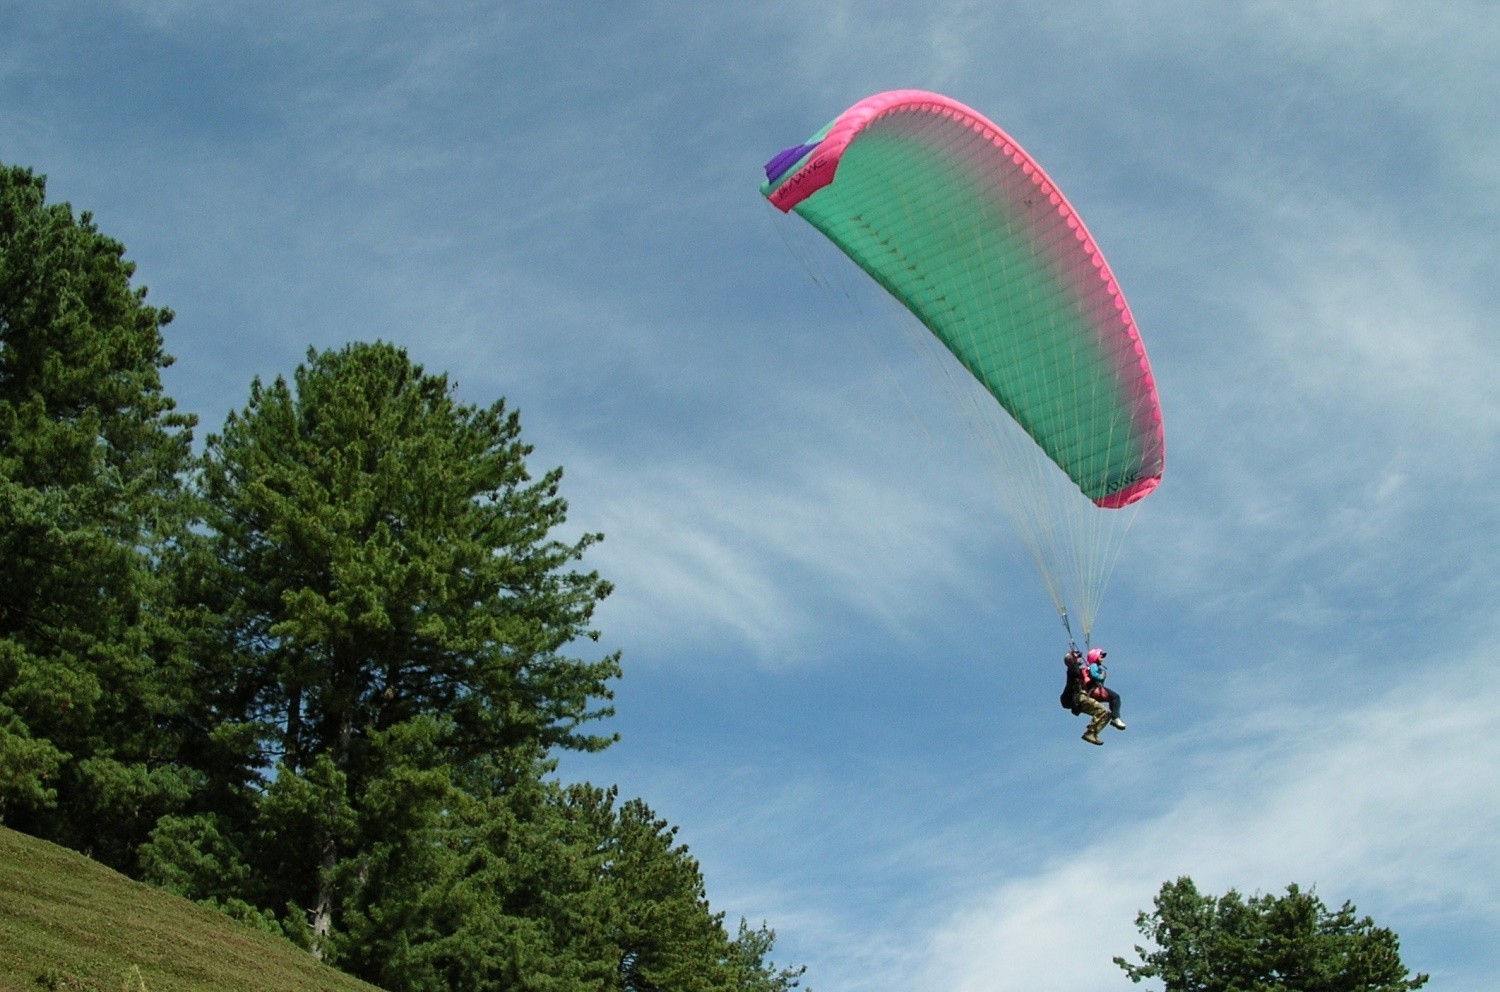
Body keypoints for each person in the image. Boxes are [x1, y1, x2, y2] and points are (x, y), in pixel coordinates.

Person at [1062, 648, 1111, 745]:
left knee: (1106, 714)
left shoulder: (1078, 672)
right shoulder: (1072, 669)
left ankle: (1091, 732)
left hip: (1081, 698)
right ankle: (1090, 732)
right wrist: (1074, 657)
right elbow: (1072, 665)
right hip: (1079, 698)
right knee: (1104, 712)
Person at [1085, 647, 1126, 731]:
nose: (1103, 658)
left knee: (1109, 702)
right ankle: (1115, 718)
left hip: (1094, 691)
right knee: (1115, 697)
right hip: (1096, 689)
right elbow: (1094, 675)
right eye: (1101, 656)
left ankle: (1095, 726)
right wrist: (1102, 676)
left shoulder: (1093, 666)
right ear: (1095, 656)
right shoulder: (1093, 666)